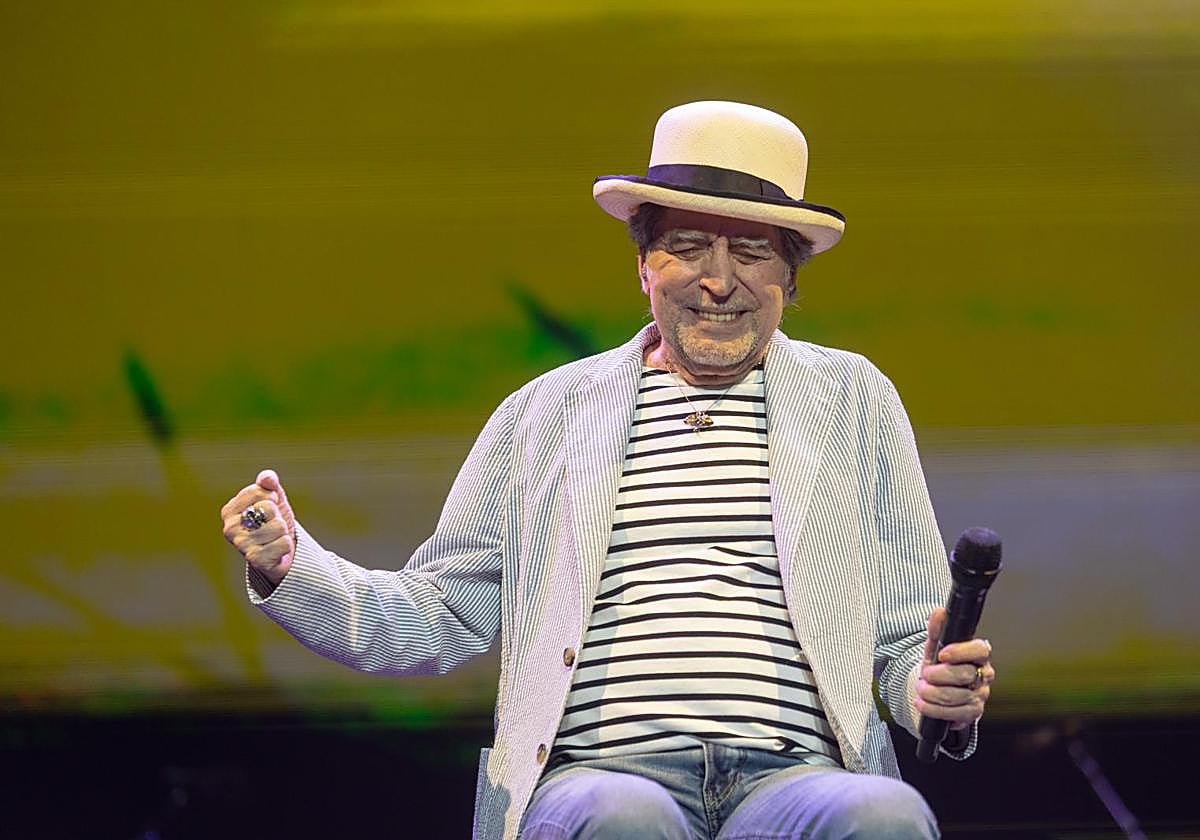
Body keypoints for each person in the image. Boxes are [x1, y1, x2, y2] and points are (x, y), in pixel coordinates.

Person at [220, 100, 995, 839]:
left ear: (790, 281)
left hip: (794, 776)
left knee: (884, 818)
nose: (718, 280)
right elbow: (441, 613)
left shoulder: (852, 398)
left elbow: (905, 643)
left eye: (752, 253)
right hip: (602, 770)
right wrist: (294, 568)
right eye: (687, 248)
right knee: (627, 820)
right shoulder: (547, 413)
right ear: (644, 267)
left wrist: (933, 695)